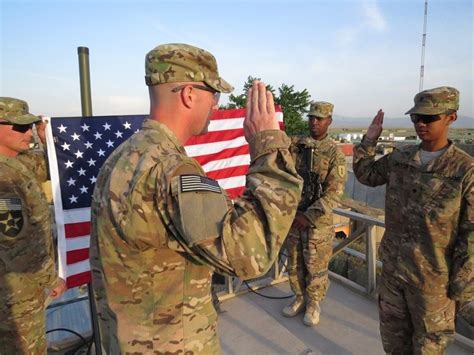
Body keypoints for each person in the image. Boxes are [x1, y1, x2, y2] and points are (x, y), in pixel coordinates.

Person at [89, 43, 303, 354]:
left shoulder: (123, 156)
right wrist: (267, 146)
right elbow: (249, 254)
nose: (216, 104)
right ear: (189, 94)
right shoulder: (172, 168)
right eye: (214, 94)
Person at [353, 87, 473, 353]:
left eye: (429, 118)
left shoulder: (465, 171)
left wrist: (462, 291)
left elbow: (471, 235)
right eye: (415, 117)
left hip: (434, 285)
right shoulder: (401, 158)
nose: (420, 123)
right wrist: (369, 141)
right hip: (395, 274)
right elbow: (366, 175)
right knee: (394, 345)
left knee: (428, 349)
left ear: (451, 117)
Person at [0, 97, 65, 354]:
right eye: (20, 127)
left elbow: (52, 165)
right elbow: (16, 241)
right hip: (14, 300)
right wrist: (50, 280)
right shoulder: (4, 179)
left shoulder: (18, 163)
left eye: (30, 126)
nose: (28, 132)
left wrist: (46, 138)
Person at [282, 101, 347, 326]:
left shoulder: (334, 154)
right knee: (294, 261)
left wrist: (307, 216)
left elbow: (334, 194)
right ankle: (299, 297)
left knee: (315, 265)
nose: (314, 122)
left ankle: (313, 303)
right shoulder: (297, 145)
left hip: (316, 222)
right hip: (294, 216)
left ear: (329, 121)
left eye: (319, 119)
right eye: (311, 118)